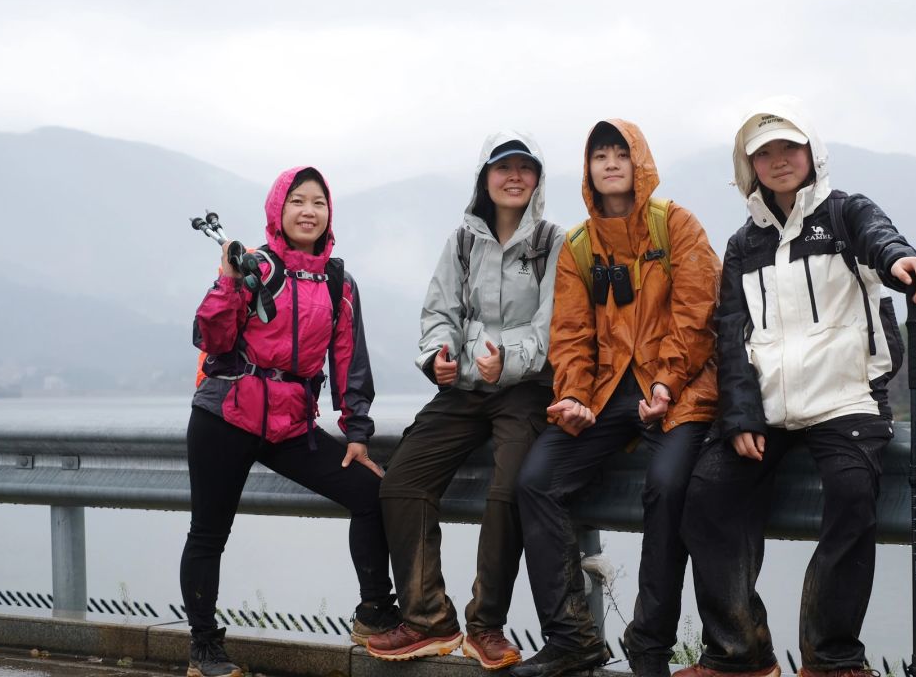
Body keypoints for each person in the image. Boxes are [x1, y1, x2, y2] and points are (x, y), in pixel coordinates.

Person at [677, 98, 916, 677]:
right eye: (763, 153)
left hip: (846, 402)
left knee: (851, 495)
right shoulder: (744, 245)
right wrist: (741, 416)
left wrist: (903, 262)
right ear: (749, 169)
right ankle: (740, 654)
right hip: (768, 410)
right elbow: (729, 336)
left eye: (788, 148)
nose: (778, 161)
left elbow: (882, 240)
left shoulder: (846, 215)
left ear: (812, 153)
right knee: (707, 495)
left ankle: (831, 657)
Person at [512, 120, 722, 677]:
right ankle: (571, 637)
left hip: (677, 390)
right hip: (606, 394)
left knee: (669, 485)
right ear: (587, 170)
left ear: (639, 163)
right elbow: (571, 336)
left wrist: (665, 383)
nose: (609, 164)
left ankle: (649, 642)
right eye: (599, 156)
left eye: (619, 154)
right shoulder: (579, 247)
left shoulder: (676, 226)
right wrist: (575, 396)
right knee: (536, 480)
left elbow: (698, 316)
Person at [181, 166, 398, 677]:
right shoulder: (254, 266)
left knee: (371, 493)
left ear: (329, 214)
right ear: (278, 210)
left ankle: (374, 614)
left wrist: (357, 433)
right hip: (225, 414)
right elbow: (210, 339)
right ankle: (204, 649)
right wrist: (227, 282)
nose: (308, 211)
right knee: (209, 533)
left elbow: (350, 363)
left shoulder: (339, 283)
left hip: (290, 424)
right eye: (297, 201)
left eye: (318, 202)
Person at [370, 133, 562, 670]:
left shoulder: (553, 242)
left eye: (527, 167)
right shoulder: (462, 241)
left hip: (524, 390)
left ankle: (486, 625)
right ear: (485, 176)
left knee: (509, 490)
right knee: (402, 481)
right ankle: (428, 618)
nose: (515, 176)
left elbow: (555, 329)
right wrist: (438, 359)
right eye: (504, 167)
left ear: (538, 179)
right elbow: (439, 314)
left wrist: (512, 362)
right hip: (464, 389)